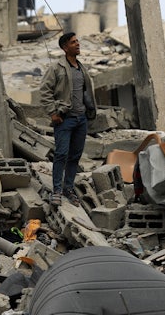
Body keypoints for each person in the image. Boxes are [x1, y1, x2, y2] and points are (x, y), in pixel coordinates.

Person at [40, 32, 97, 206]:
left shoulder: (81, 68)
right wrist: (53, 113)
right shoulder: (57, 67)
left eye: (77, 41)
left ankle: (68, 188)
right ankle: (57, 190)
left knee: (75, 156)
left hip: (81, 120)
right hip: (65, 120)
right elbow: (44, 91)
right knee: (61, 154)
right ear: (65, 47)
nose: (78, 44)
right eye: (73, 42)